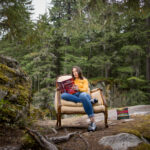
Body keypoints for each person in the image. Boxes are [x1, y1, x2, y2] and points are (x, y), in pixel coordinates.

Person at [61, 66, 97, 131]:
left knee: (83, 96)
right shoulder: (71, 80)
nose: (75, 73)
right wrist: (63, 88)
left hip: (83, 94)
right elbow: (68, 90)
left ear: (79, 71)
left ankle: (92, 121)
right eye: (73, 72)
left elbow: (85, 89)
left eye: (76, 71)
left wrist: (78, 88)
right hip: (74, 95)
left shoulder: (84, 80)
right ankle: (89, 101)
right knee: (63, 95)